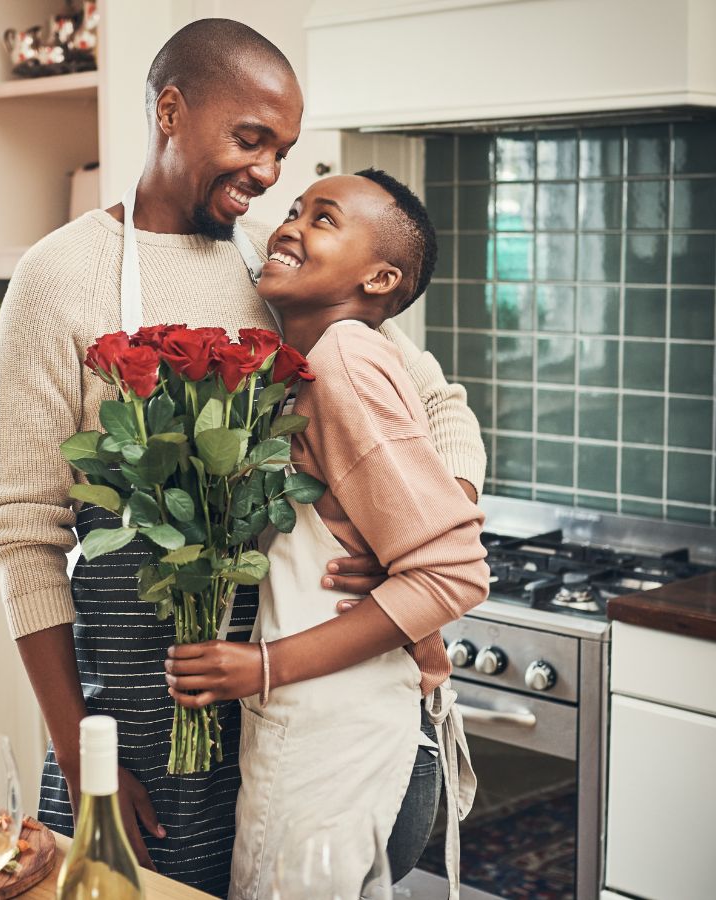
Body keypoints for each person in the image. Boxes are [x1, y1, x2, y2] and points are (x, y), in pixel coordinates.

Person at [0, 19, 486, 896]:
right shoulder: (59, 277)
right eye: (250, 140)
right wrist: (80, 750)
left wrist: (408, 531)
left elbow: (438, 402)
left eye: (282, 154)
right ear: (171, 111)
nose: (266, 175)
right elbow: (25, 535)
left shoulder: (278, 273)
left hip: (279, 708)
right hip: (135, 717)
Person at [162, 170, 489, 900]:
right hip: (345, 724)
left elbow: (455, 574)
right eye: (294, 210)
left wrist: (263, 665)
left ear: (379, 279)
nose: (290, 226)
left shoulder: (345, 359)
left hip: (336, 734)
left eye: (324, 219)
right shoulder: (320, 359)